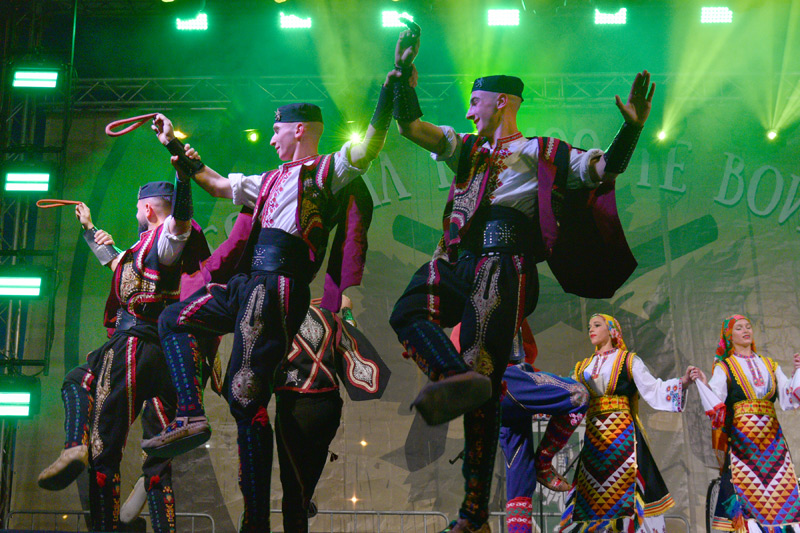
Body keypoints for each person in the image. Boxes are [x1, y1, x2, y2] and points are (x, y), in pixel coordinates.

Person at [385, 22, 651, 532]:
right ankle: (454, 378)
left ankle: (472, 513)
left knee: (486, 374)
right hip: (456, 255)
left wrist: (631, 130)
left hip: (503, 263)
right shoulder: (465, 147)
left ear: (502, 102)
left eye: (475, 103)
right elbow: (410, 127)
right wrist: (401, 75)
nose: (468, 112)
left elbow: (602, 171)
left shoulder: (542, 151)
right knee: (408, 312)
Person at [142, 89, 391, 531]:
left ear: (300, 130)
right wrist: (174, 145)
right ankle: (191, 414)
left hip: (278, 282)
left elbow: (369, 145)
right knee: (173, 318)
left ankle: (255, 521)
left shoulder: (328, 169)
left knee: (245, 394)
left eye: (277, 131)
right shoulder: (271, 178)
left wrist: (391, 88)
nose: (272, 139)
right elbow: (218, 185)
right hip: (248, 282)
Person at [37, 172, 208, 532]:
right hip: (167, 357)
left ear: (147, 210)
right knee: (157, 460)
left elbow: (179, 224)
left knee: (101, 442)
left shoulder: (167, 241)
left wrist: (182, 175)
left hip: (134, 347)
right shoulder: (145, 249)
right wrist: (90, 230)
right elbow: (119, 266)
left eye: (136, 208)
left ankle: (77, 452)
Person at [560, 314, 695, 533]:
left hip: (624, 438)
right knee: (593, 499)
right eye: (589, 326)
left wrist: (683, 383)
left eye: (597, 325)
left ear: (612, 331)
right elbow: (567, 395)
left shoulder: (629, 360)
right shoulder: (582, 367)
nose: (591, 330)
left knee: (633, 495)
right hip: (595, 442)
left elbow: (653, 389)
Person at [450, 323, 589, 533]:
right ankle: (543, 463)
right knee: (579, 395)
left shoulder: (514, 314)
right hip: (503, 380)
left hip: (504, 392)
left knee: (520, 478)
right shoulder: (472, 315)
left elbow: (527, 355)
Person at [274, 294, 389, 532]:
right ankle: (305, 502)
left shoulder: (278, 314)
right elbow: (351, 339)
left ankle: (300, 509)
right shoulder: (328, 316)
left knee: (293, 488)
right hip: (328, 406)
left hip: (294, 404)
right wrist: (346, 310)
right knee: (304, 484)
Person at [692, 315, 800, 532]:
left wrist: (798, 372)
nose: (745, 331)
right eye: (739, 328)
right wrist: (704, 384)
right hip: (743, 440)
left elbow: (789, 398)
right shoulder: (725, 367)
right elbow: (716, 398)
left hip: (772, 440)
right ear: (729, 336)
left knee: (781, 489)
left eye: (748, 327)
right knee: (746, 492)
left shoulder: (769, 364)